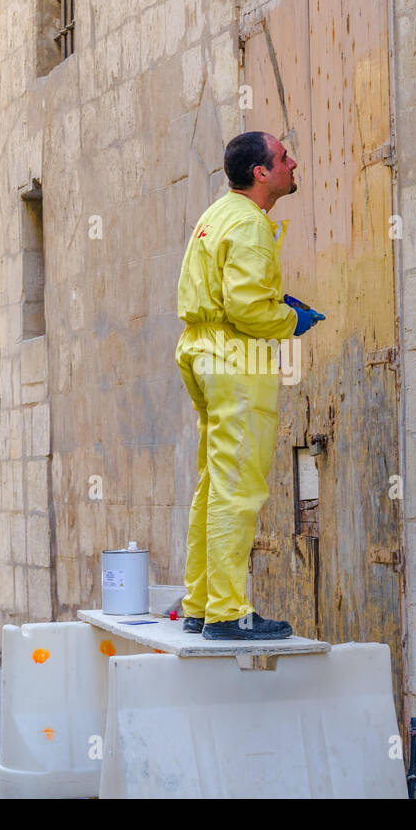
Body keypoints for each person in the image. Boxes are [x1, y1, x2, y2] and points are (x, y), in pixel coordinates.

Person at [174, 131, 326, 640]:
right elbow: (245, 306)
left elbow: (227, 289)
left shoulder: (217, 215)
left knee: (214, 485)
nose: (293, 162)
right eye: (285, 157)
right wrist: (290, 319)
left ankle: (200, 603)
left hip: (202, 352)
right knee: (238, 488)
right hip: (235, 360)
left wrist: (276, 302)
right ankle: (226, 613)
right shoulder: (252, 225)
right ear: (262, 173)